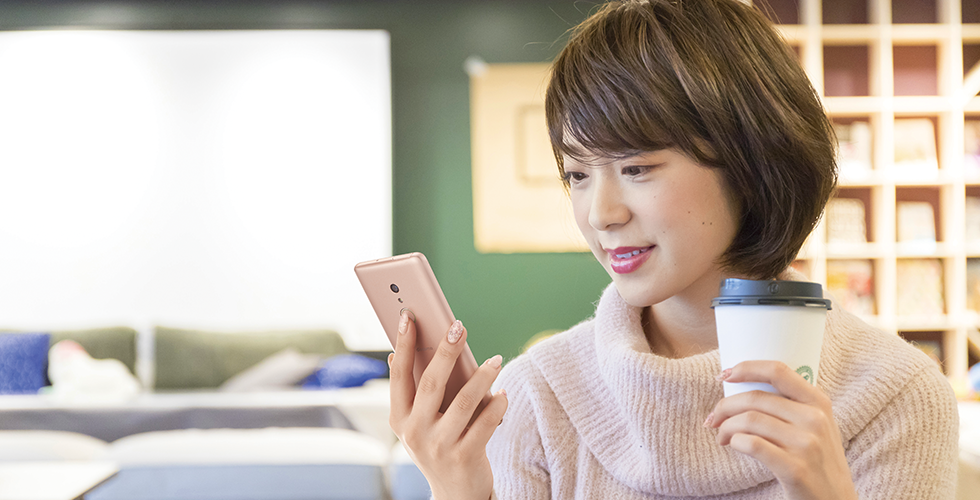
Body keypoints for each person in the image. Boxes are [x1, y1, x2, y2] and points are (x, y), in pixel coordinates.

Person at [387, 0, 959, 498]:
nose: (601, 214)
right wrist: (458, 491)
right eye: (577, 175)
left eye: (636, 168)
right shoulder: (535, 396)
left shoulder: (895, 396)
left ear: (750, 160)